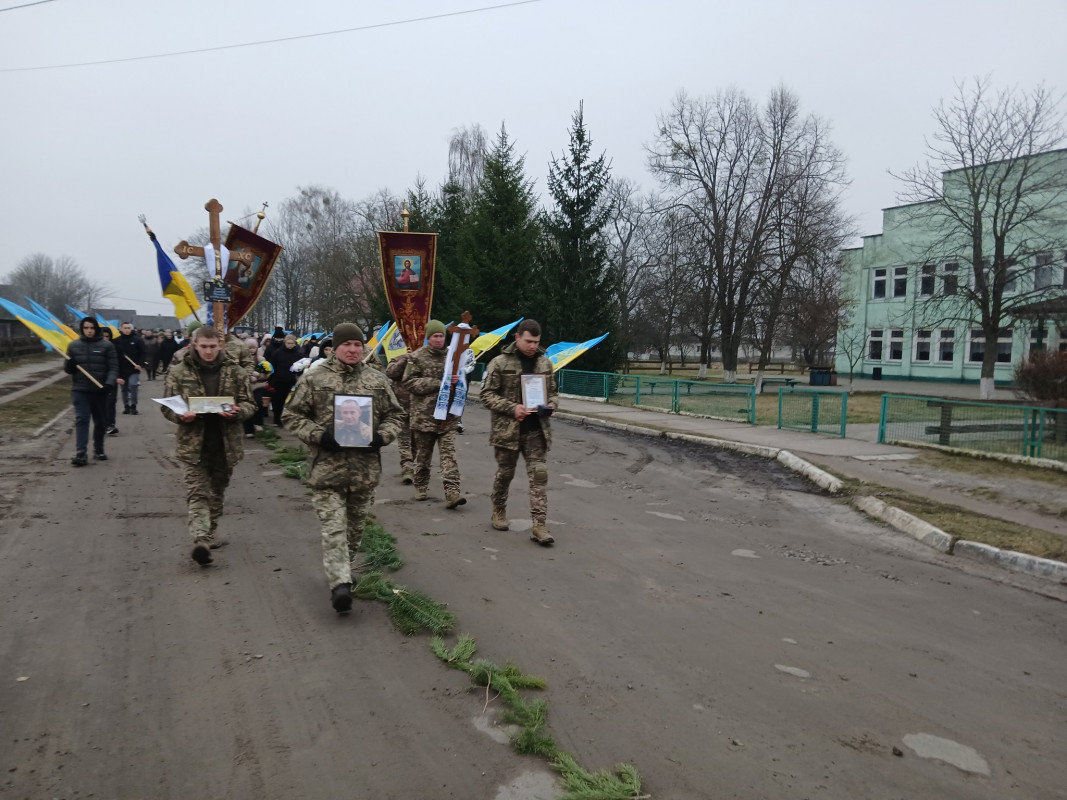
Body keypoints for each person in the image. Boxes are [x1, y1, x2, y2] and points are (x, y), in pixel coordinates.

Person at [283, 323, 404, 614]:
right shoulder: (314, 377)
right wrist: (319, 435)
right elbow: (291, 414)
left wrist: (381, 436)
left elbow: (396, 416)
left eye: (357, 344)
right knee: (334, 529)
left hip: (364, 472)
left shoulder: (377, 380)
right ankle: (340, 585)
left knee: (354, 530)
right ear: (334, 347)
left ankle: (342, 570)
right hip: (327, 470)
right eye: (346, 344)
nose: (352, 349)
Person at [160, 325, 255, 566]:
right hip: (192, 444)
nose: (209, 351)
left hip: (225, 443)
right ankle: (200, 539)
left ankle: (210, 530)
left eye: (213, 346)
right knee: (197, 492)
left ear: (220, 345)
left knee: (217, 491)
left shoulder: (235, 371)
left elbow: (249, 404)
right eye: (204, 347)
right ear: (194, 345)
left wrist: (237, 412)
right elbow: (167, 406)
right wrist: (181, 416)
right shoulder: (179, 372)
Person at [480, 319, 559, 545]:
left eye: (536, 342)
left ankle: (539, 525)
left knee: (539, 478)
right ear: (517, 337)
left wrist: (551, 405)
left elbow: (553, 393)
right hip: (508, 432)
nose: (533, 346)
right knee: (505, 474)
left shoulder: (545, 364)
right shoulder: (499, 362)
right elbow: (486, 394)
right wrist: (512, 408)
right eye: (528, 341)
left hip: (536, 431)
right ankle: (499, 509)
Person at [402, 319, 464, 508]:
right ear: (429, 338)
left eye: (441, 336)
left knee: (449, 456)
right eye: (435, 336)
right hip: (424, 417)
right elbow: (408, 381)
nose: (439, 340)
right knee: (423, 456)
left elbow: (461, 379)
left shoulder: (453, 356)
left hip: (448, 418)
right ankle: (420, 486)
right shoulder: (416, 357)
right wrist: (438, 383)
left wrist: (456, 380)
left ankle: (452, 492)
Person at [65, 317, 118, 466]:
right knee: (82, 419)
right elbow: (68, 370)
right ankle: (81, 453)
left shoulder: (107, 346)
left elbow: (113, 367)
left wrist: (109, 384)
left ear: (96, 329)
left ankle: (99, 448)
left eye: (92, 328)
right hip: (80, 389)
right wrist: (70, 364)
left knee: (100, 421)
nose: (89, 330)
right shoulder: (74, 346)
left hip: (99, 390)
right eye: (86, 328)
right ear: (82, 329)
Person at [384, 349, 415, 483]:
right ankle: (407, 467)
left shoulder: (423, 359)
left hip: (420, 410)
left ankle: (412, 463)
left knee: (417, 442)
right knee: (404, 439)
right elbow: (391, 373)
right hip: (402, 407)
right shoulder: (398, 359)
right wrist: (405, 360)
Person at [267, 333, 303, 426]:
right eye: (288, 343)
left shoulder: (298, 354)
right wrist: (271, 380)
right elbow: (272, 366)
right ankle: (276, 419)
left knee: (289, 402)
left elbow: (300, 367)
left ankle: (286, 419)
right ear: (285, 342)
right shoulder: (278, 353)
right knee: (277, 401)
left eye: (292, 343)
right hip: (279, 381)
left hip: (291, 381)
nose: (290, 345)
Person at [114, 321, 145, 415]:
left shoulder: (137, 340)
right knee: (124, 388)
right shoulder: (116, 341)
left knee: (133, 385)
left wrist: (140, 364)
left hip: (134, 369)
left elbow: (143, 353)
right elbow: (114, 356)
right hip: (121, 369)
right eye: (125, 328)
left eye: (128, 328)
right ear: (121, 329)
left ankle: (133, 406)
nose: (127, 330)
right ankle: (126, 406)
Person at [99, 327, 120, 435]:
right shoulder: (95, 348)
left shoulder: (114, 348)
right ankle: (101, 424)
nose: (105, 339)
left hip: (112, 381)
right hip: (98, 381)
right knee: (101, 404)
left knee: (111, 403)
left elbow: (117, 364)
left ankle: (110, 424)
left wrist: (118, 376)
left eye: (107, 336)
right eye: (103, 336)